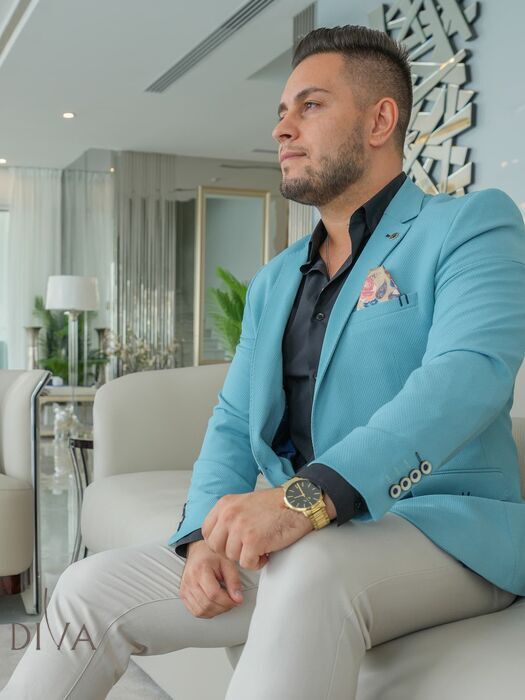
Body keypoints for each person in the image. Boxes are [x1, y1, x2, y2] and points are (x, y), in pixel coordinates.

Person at [3, 24, 525, 700]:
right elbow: (231, 418)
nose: (282, 128)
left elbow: (467, 378)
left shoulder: (470, 225)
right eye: (281, 112)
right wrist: (200, 537)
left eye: (310, 106)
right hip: (306, 532)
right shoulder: (275, 280)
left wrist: (305, 498)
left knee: (311, 569)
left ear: (379, 121)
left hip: (443, 529)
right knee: (85, 587)